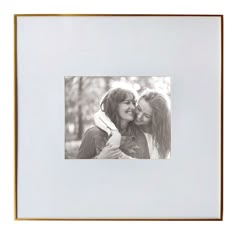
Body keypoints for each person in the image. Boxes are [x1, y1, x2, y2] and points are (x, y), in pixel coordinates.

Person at [94, 89, 171, 159]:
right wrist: (115, 133)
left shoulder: (161, 139)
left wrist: (123, 157)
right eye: (138, 109)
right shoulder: (128, 121)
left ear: (156, 120)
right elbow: (99, 115)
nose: (139, 116)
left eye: (146, 116)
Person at [76, 87, 150, 159]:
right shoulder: (93, 134)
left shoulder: (139, 134)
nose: (133, 107)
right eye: (127, 103)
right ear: (114, 106)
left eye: (134, 103)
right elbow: (78, 168)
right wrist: (100, 159)